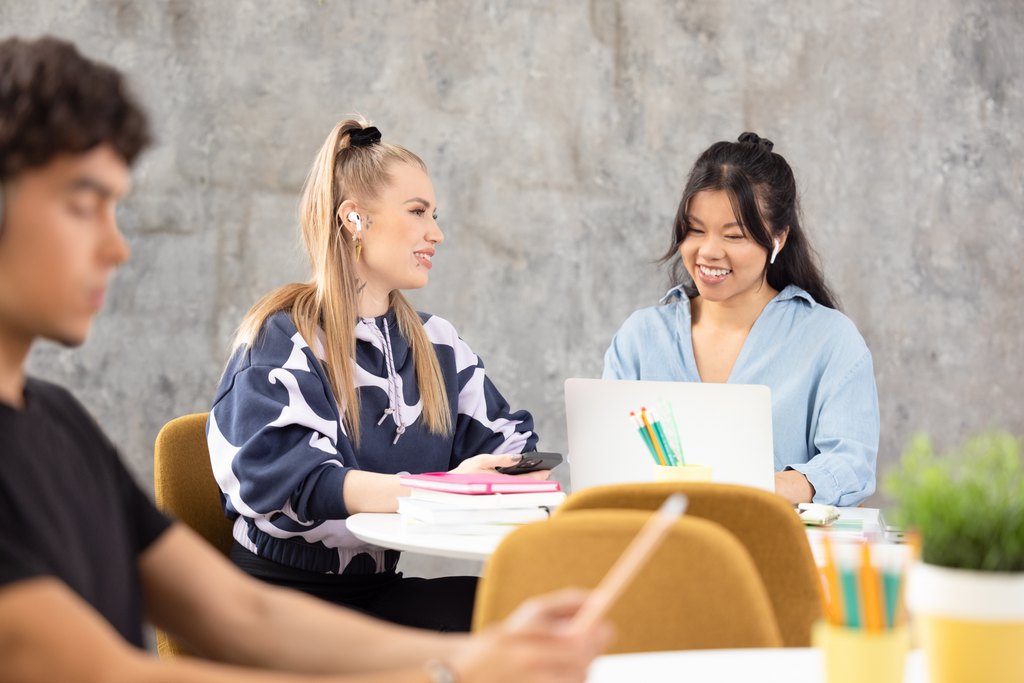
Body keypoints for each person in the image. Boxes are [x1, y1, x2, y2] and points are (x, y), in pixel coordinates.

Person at [0, 35, 610, 682]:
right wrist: (441, 672)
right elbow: (95, 670)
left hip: (355, 600)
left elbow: (242, 614)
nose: (119, 247)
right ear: (353, 220)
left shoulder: (59, 422)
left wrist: (475, 658)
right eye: (82, 203)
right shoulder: (282, 339)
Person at [206, 117, 544, 631]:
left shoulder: (436, 344)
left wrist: (512, 474)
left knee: (528, 611)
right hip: (276, 609)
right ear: (354, 219)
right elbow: (300, 484)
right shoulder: (283, 338)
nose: (437, 232)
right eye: (417, 212)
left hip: (376, 593)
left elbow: (509, 442)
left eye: (434, 214)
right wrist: (447, 490)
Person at [603, 132, 879, 507]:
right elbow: (605, 459)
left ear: (779, 238)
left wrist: (754, 488)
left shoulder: (830, 339)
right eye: (696, 230)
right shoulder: (641, 336)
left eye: (734, 236)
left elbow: (851, 465)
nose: (709, 251)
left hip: (769, 550)